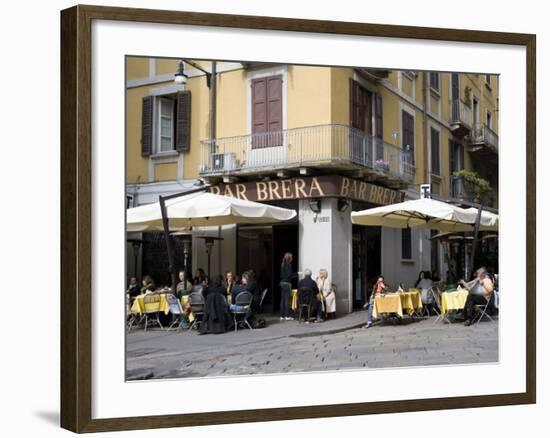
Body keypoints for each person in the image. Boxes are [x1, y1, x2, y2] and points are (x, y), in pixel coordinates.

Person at [279, 253, 298, 321]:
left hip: (282, 283)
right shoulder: (288, 265)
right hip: (287, 283)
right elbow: (290, 275)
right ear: (289, 258)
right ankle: (287, 315)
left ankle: (282, 315)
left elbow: (282, 275)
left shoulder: (283, 264)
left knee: (282, 300)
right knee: (287, 300)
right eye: (291, 257)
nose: (292, 258)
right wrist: (297, 274)